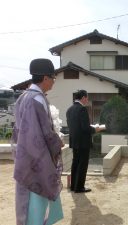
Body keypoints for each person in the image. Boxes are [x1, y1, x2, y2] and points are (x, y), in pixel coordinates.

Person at [12, 58, 64, 225]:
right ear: (45, 78)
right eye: (53, 78)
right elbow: (42, 135)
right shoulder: (37, 99)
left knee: (25, 204)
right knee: (35, 206)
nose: (54, 83)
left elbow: (18, 132)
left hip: (25, 158)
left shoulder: (24, 97)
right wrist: (58, 142)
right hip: (36, 162)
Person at [66, 90, 104, 193]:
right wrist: (96, 129)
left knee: (75, 163)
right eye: (87, 98)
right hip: (83, 142)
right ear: (83, 98)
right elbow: (85, 128)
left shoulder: (69, 110)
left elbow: (74, 126)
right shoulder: (82, 109)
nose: (87, 100)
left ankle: (74, 185)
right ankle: (79, 187)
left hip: (74, 140)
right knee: (82, 164)